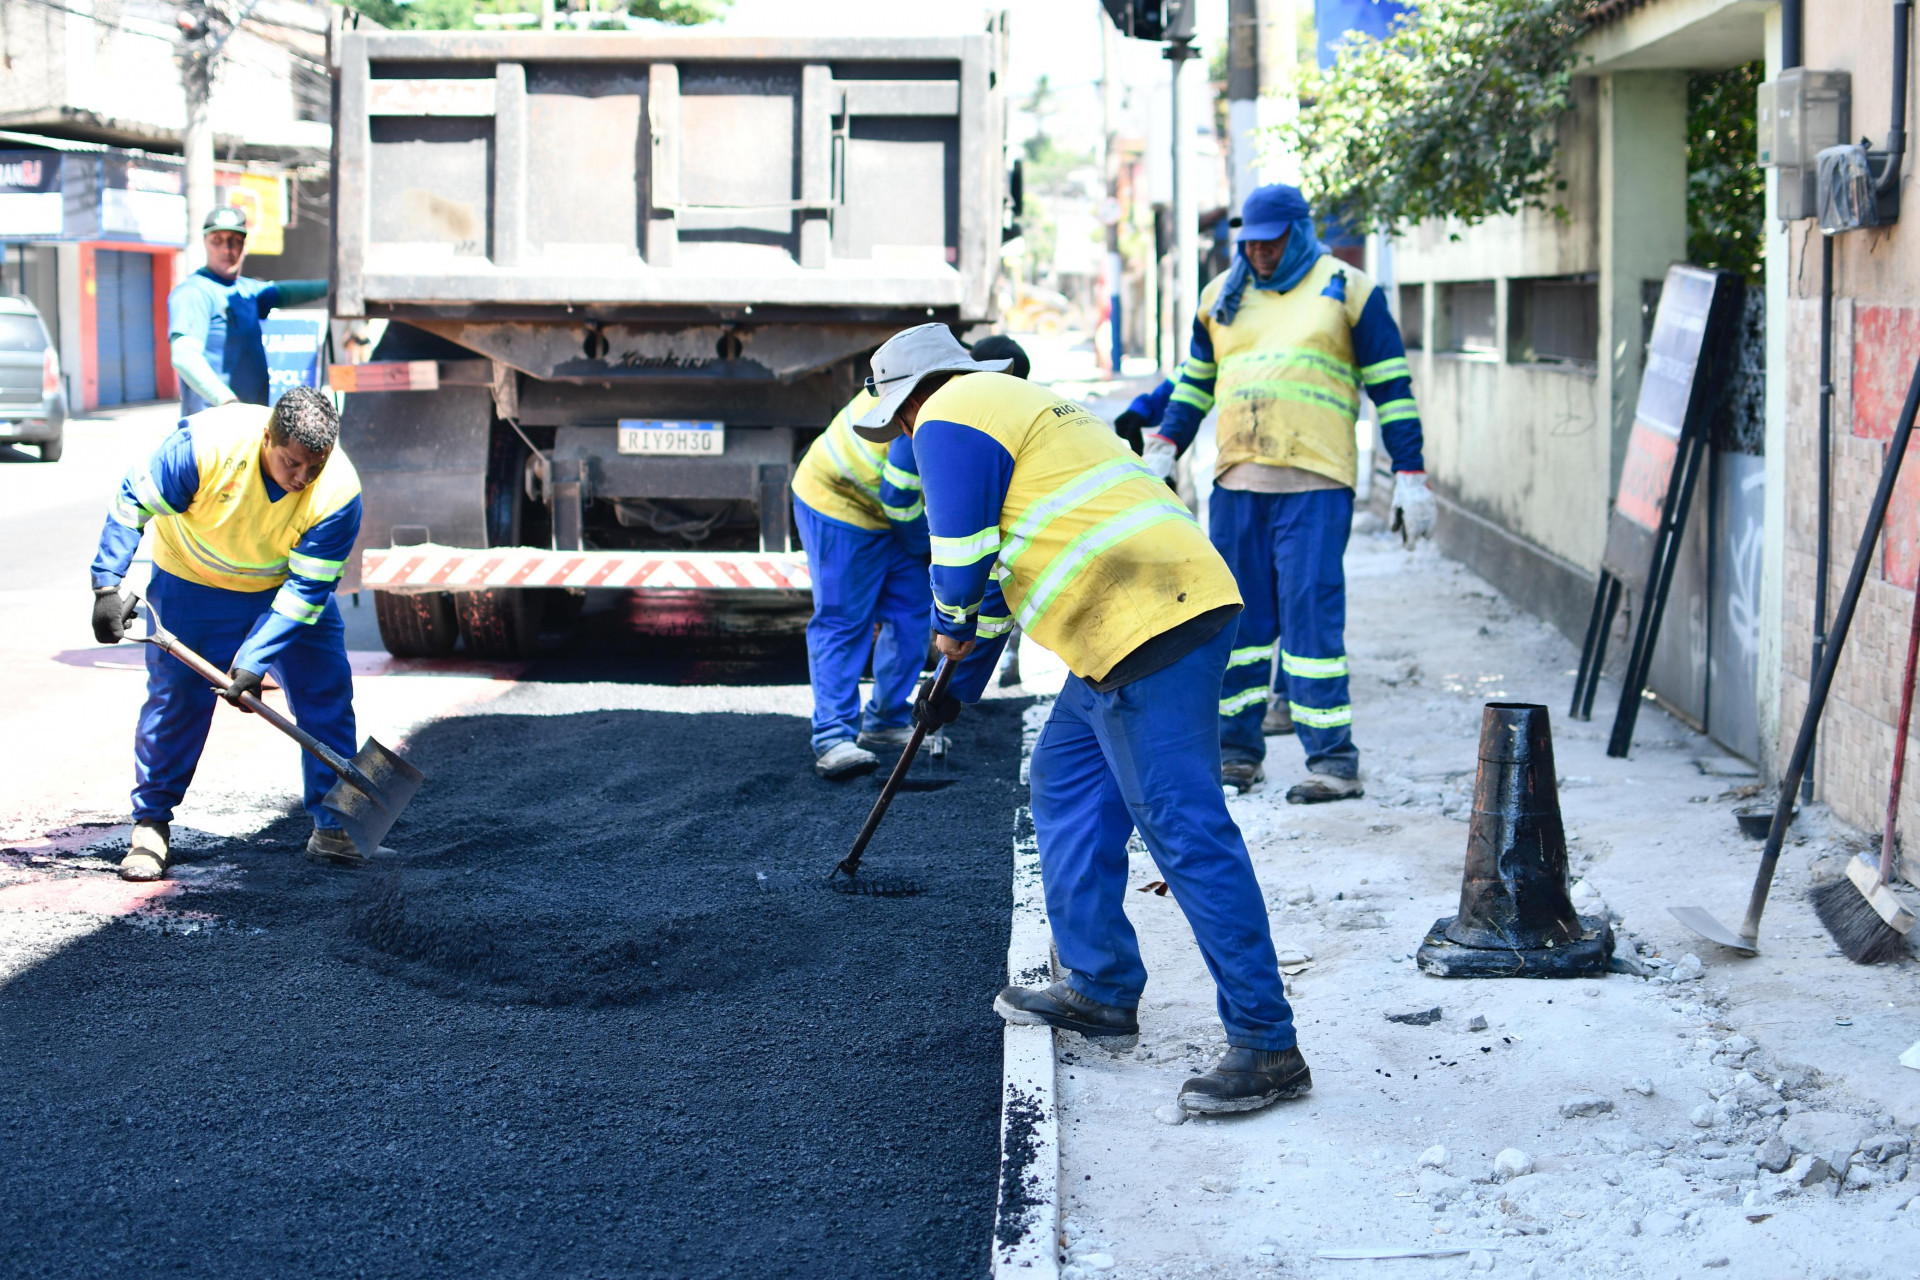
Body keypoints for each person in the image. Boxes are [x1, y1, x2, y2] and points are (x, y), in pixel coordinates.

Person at [854, 322, 1311, 1116]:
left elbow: (960, 562)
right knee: (1064, 779)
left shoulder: (949, 416)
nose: (900, 436)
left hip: (1148, 624)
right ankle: (1100, 988)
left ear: (909, 398)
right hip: (1136, 618)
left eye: (896, 420)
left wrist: (946, 628)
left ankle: (1268, 1043)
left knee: (1184, 827)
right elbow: (1000, 582)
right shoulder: (1016, 405)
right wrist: (956, 686)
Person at [1146, 183, 1436, 803]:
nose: (1260, 252)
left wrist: (1410, 473)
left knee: (1311, 620)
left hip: (1316, 484)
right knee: (1235, 624)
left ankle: (1333, 762)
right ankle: (1236, 752)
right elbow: (1195, 383)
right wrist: (1167, 444)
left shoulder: (1349, 290)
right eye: (1251, 243)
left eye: (1271, 241)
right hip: (1237, 483)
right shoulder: (1221, 297)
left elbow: (1392, 388)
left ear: (1299, 233)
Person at [89, 388, 365, 880]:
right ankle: (150, 824)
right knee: (176, 702)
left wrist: (253, 659)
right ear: (267, 438)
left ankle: (337, 827)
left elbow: (306, 592)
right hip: (192, 581)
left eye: (314, 467)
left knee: (326, 694)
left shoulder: (339, 493)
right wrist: (107, 584)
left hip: (282, 588)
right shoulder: (204, 448)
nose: (302, 478)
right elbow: (133, 502)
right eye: (291, 463)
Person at [792, 336, 1029, 779]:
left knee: (911, 615)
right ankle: (833, 736)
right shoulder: (930, 406)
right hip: (838, 501)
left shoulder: (971, 402)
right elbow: (899, 498)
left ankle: (885, 719)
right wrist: (930, 551)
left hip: (891, 516)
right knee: (845, 619)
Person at [1115, 377, 1296, 739]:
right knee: (1250, 600)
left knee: (1297, 598)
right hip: (1241, 474)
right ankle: (1247, 711)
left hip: (1303, 474)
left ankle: (1291, 697)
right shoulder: (1225, 339)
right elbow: (1195, 376)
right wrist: (1149, 408)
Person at [169, 207, 328, 416]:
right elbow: (184, 355)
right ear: (205, 242)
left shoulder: (247, 291)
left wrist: (335, 287)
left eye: (235, 240)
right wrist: (226, 401)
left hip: (251, 418)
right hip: (214, 420)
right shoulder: (194, 292)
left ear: (244, 245)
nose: (226, 249)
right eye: (217, 240)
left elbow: (287, 292)